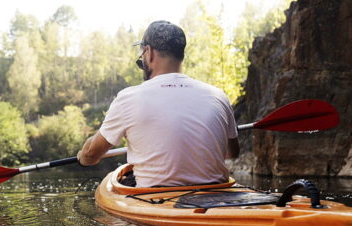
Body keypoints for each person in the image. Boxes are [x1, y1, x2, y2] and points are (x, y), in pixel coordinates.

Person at [77, 20, 239, 187]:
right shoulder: (218, 95)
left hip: (155, 198)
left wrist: (82, 157)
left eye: (142, 54)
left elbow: (90, 156)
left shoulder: (128, 98)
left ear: (149, 52)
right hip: (218, 195)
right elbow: (232, 152)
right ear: (180, 54)